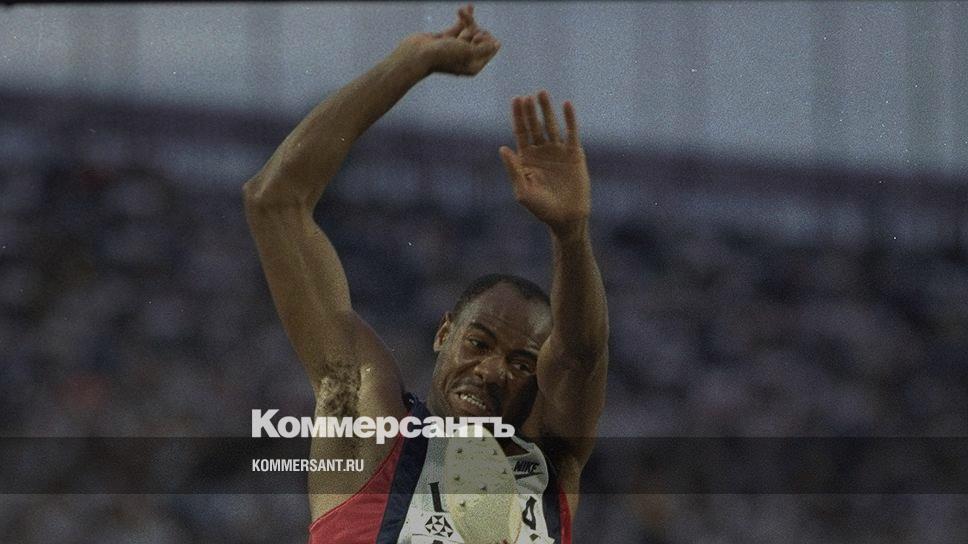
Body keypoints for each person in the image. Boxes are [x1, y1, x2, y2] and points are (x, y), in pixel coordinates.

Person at [243, 5, 608, 543]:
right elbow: (275, 202)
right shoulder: (366, 426)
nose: (491, 371)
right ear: (444, 333)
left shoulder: (550, 470)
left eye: (521, 364)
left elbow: (581, 355)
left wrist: (572, 236)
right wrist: (408, 63)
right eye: (478, 343)